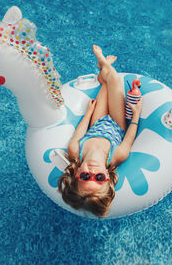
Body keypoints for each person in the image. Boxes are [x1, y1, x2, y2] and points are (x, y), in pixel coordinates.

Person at [58, 45, 143, 217]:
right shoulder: (117, 156)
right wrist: (136, 114)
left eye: (85, 177)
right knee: (114, 80)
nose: (92, 171)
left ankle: (103, 68)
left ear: (76, 175)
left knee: (105, 83)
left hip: (98, 121)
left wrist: (89, 112)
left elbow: (80, 131)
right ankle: (103, 62)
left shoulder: (75, 151)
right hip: (118, 122)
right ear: (107, 177)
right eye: (98, 178)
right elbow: (129, 137)